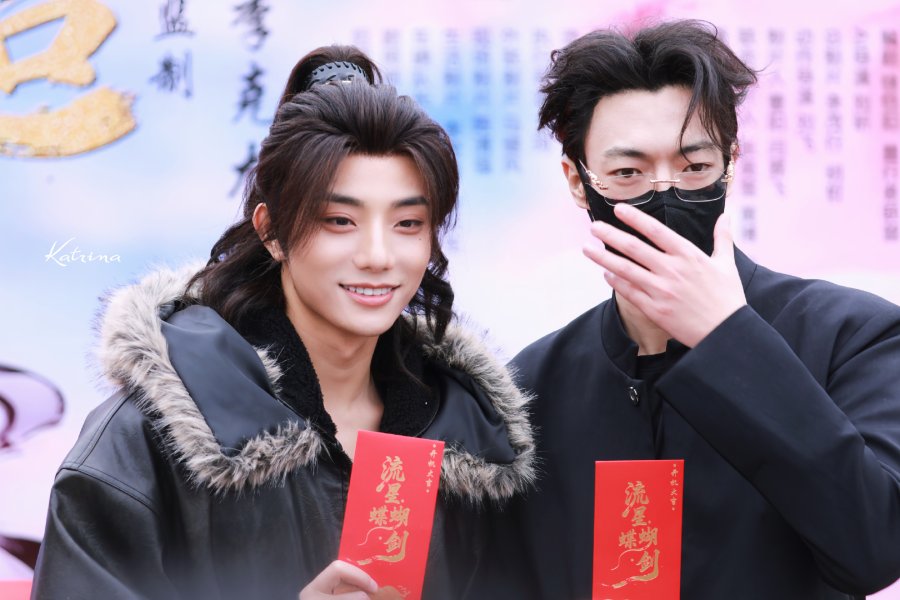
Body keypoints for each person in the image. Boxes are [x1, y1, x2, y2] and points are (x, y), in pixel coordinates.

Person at [30, 45, 535, 600]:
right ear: (272, 231)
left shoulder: (470, 444)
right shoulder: (145, 442)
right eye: (339, 220)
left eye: (408, 223)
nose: (378, 256)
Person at [487, 19, 900, 600]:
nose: (665, 193)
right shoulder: (531, 387)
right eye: (627, 173)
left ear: (731, 162)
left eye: (694, 168)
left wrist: (727, 339)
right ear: (578, 181)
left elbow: (875, 548)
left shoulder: (852, 337)